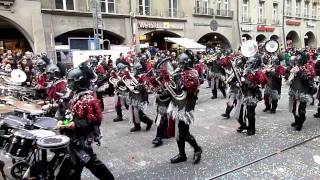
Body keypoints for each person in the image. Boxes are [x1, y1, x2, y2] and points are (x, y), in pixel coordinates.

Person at [56, 64, 114, 180]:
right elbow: (70, 113)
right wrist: (63, 121)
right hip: (72, 139)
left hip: (81, 141)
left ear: (79, 82)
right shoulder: (74, 95)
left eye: (71, 81)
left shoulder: (89, 99)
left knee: (90, 162)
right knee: (74, 167)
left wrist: (75, 125)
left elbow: (95, 121)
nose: (68, 83)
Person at [162, 53, 202, 164]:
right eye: (179, 63)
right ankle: (182, 154)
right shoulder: (179, 72)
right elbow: (173, 87)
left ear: (187, 63)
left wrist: (179, 79)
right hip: (177, 104)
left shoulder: (193, 73)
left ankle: (197, 149)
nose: (180, 65)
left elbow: (191, 88)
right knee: (178, 132)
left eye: (182, 63)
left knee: (184, 132)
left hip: (187, 105)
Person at [237, 56, 267, 136]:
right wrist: (239, 81)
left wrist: (247, 81)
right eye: (248, 63)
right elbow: (241, 80)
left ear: (254, 64)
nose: (248, 64)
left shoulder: (259, 72)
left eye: (250, 63)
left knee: (250, 114)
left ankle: (252, 129)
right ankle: (243, 125)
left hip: (251, 95)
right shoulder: (246, 71)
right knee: (239, 113)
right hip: (243, 93)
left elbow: (260, 83)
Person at [288, 53, 316, 131]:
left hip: (303, 91)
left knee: (301, 110)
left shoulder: (308, 67)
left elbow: (309, 78)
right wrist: (289, 71)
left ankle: (300, 123)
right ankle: (297, 120)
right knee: (293, 109)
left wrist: (299, 72)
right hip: (294, 90)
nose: (297, 59)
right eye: (297, 58)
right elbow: (288, 78)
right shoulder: (295, 66)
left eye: (299, 58)